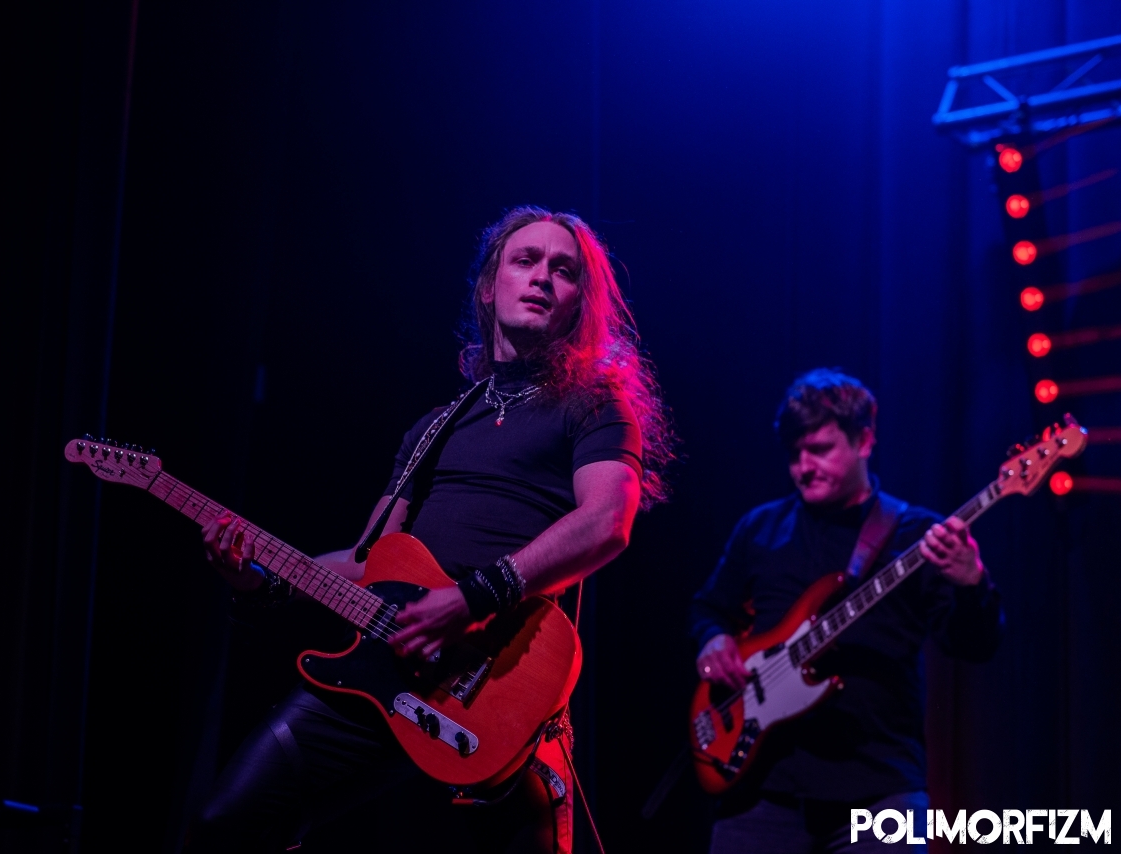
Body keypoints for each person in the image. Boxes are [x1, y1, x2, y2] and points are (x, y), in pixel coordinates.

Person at [188, 206, 676, 852]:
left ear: (577, 306)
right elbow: (367, 562)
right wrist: (260, 578)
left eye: (564, 271)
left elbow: (607, 521)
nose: (542, 277)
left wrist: (472, 598)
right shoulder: (434, 428)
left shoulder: (593, 405)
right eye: (525, 260)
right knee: (225, 823)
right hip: (389, 672)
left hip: (500, 678)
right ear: (488, 286)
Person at [689, 369, 1003, 853]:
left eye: (819, 449)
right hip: (761, 791)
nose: (803, 467)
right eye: (794, 453)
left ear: (865, 441)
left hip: (878, 790)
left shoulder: (917, 535)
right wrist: (713, 640)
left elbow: (975, 646)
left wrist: (971, 582)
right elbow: (709, 608)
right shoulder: (760, 528)